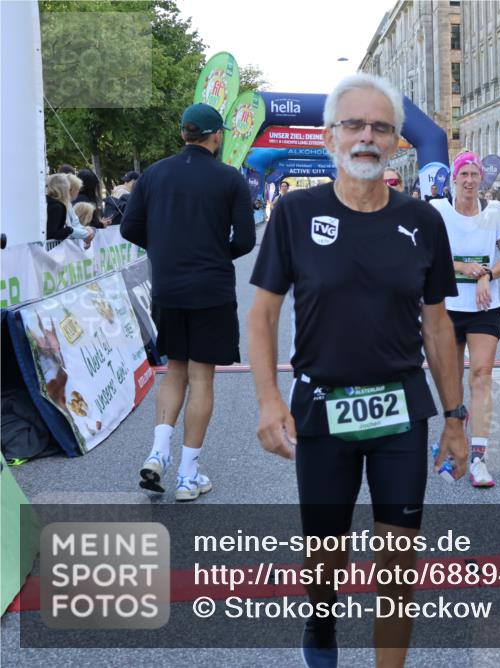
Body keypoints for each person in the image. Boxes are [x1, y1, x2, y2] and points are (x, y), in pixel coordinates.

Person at [246, 73, 467, 668]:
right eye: (355, 125)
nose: (367, 137)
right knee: (327, 557)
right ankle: (321, 624)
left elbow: (439, 326)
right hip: (320, 408)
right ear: (330, 136)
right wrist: (270, 401)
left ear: (398, 141)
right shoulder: (294, 213)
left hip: (400, 410)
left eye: (381, 127)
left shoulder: (423, 221)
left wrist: (455, 416)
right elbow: (262, 316)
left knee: (398, 567)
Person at [121, 102, 255, 502]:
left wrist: (167, 251)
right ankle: (186, 474)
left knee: (174, 370)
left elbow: (129, 227)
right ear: (216, 137)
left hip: (168, 288)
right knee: (202, 378)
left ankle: (158, 451)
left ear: (183, 134)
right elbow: (245, 240)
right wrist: (213, 253)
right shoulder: (229, 179)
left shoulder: (154, 175)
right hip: (210, 289)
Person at [429, 150, 500, 487]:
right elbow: (425, 255)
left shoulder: (494, 211)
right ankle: (454, 435)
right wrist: (461, 267)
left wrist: (486, 276)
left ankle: (479, 456)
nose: (468, 181)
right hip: (447, 308)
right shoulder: (437, 211)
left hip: (484, 308)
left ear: (481, 179)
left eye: (473, 175)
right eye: (462, 175)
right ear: (453, 179)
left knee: (481, 376)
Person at [45, 173, 94, 244]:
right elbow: (53, 233)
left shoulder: (53, 204)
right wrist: (70, 230)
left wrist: (84, 231)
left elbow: (74, 223)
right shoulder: (57, 206)